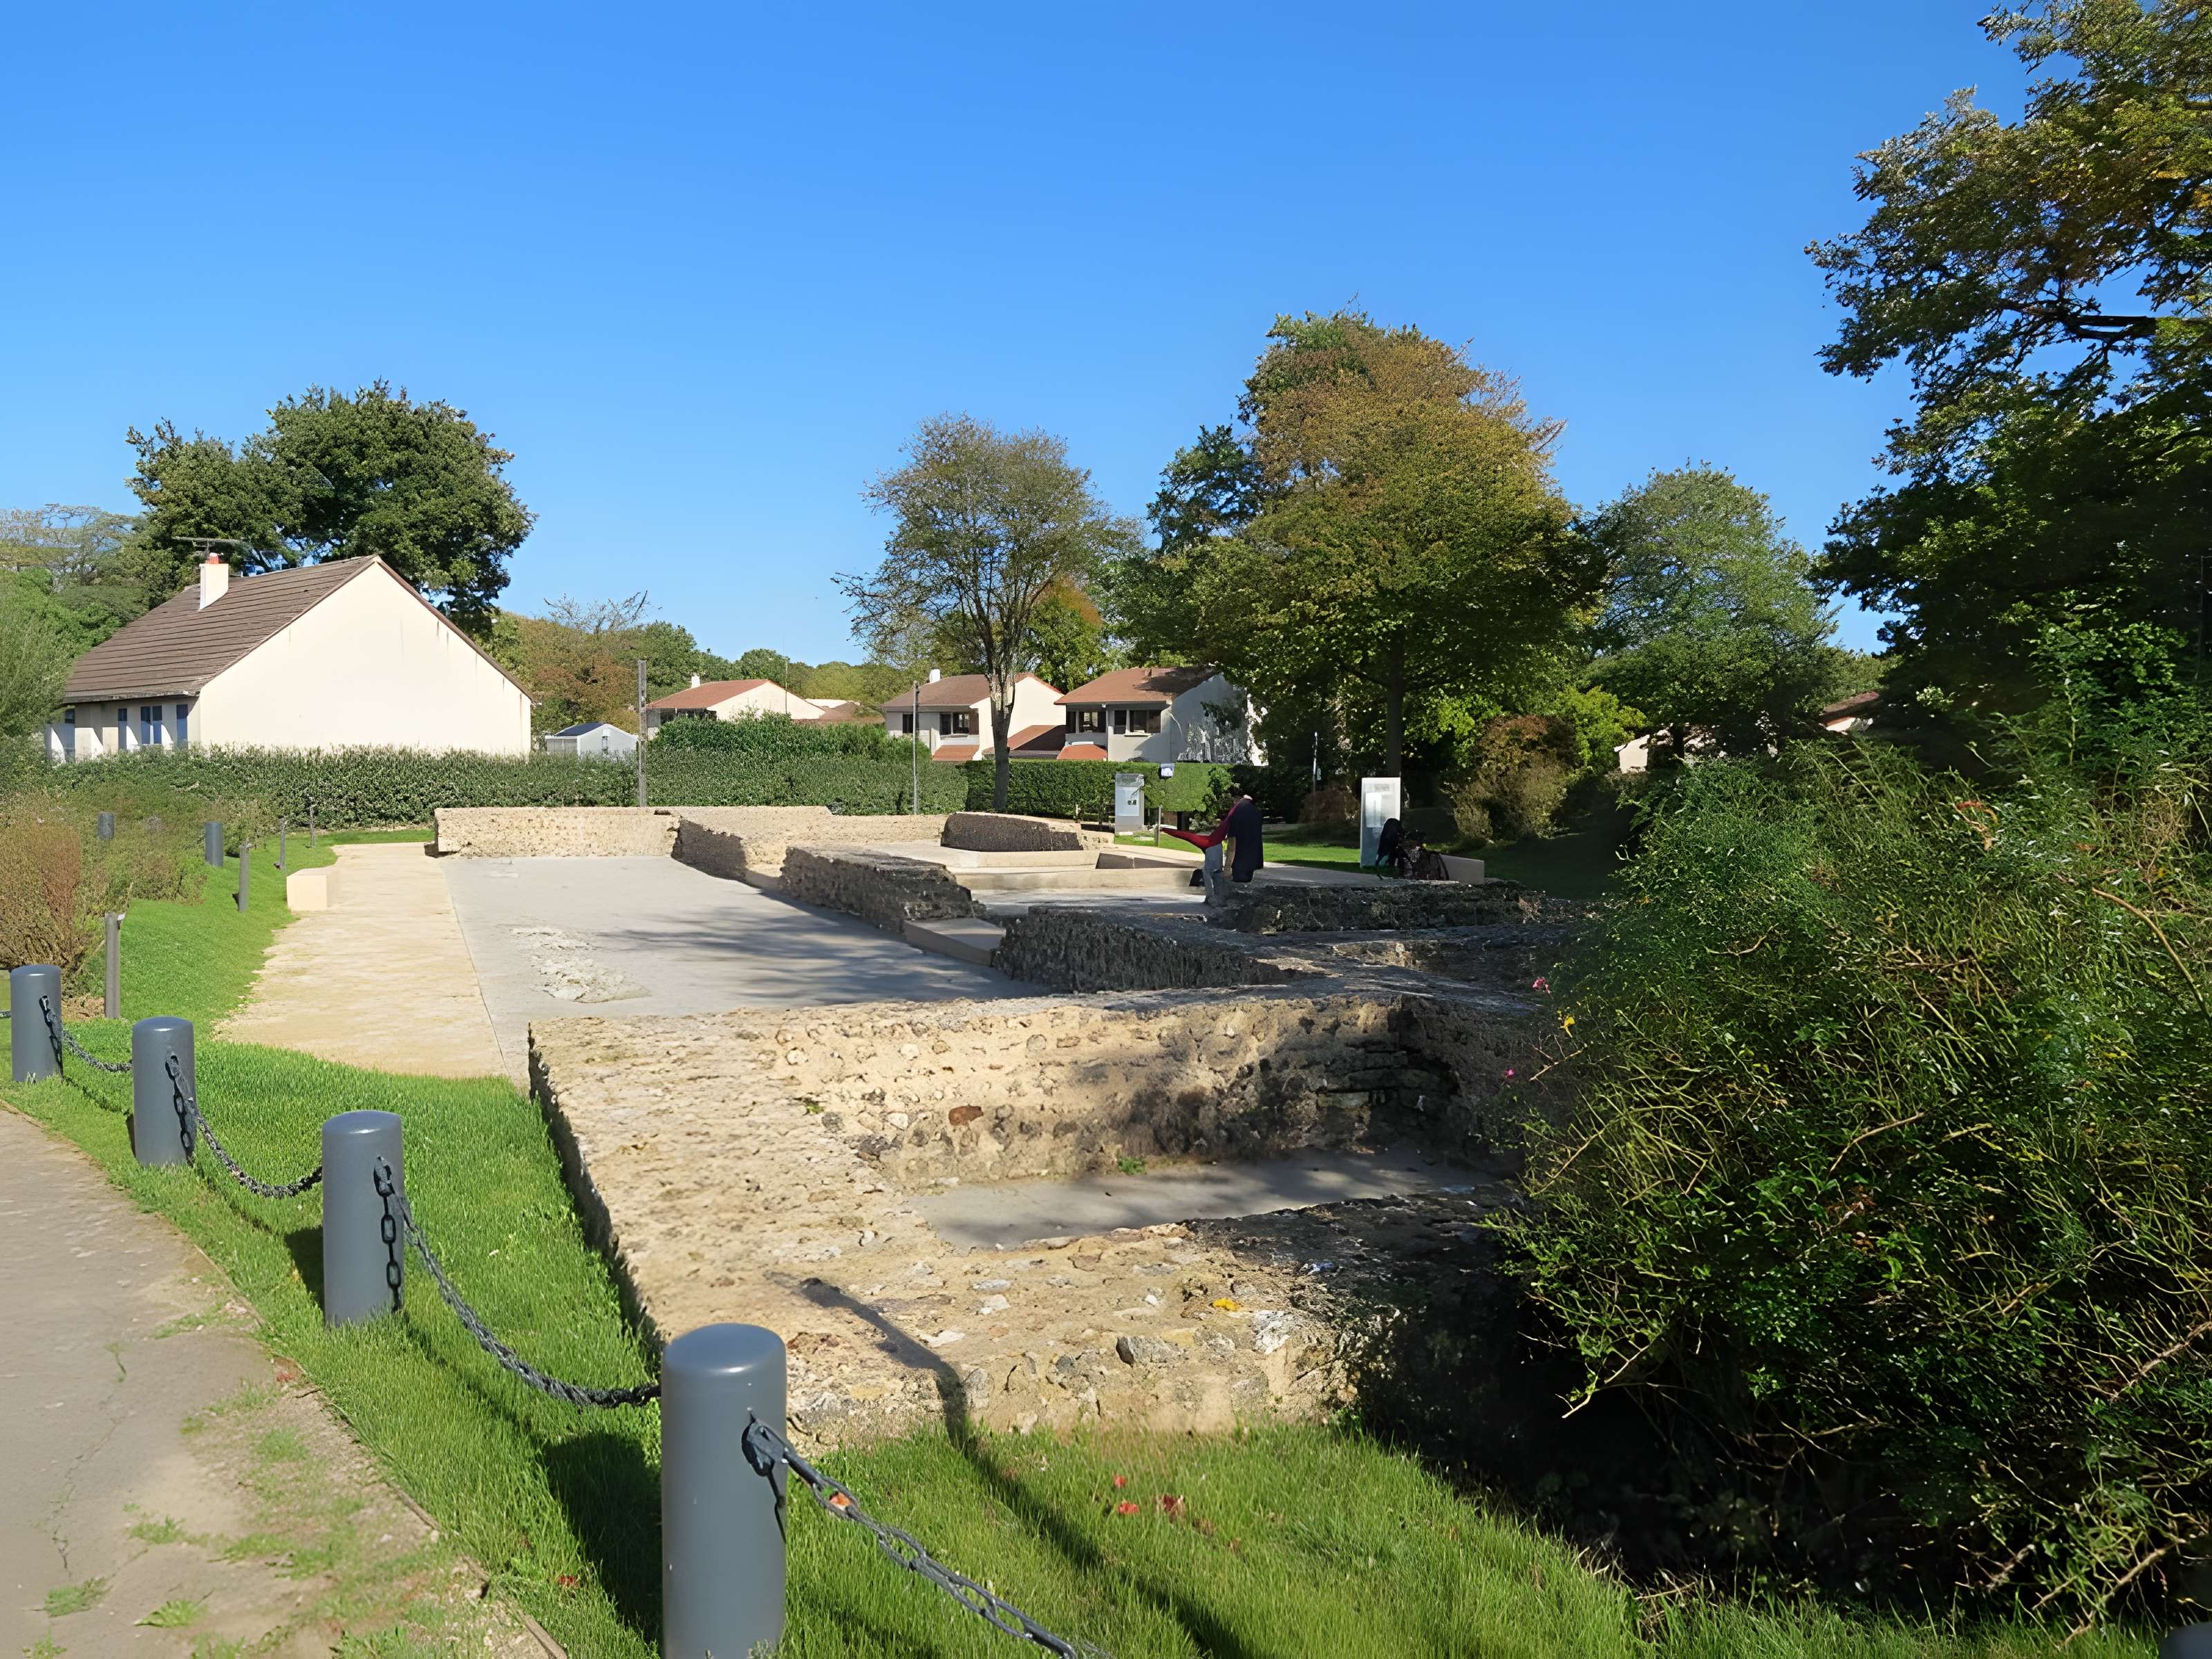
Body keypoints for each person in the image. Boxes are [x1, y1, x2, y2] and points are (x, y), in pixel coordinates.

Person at [1212, 792, 1265, 883]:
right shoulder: (1256, 811)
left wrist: (1227, 867)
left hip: (1239, 860)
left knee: (1237, 882)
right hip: (1253, 858)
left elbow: (1232, 841)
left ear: (1237, 799)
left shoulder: (1236, 812)